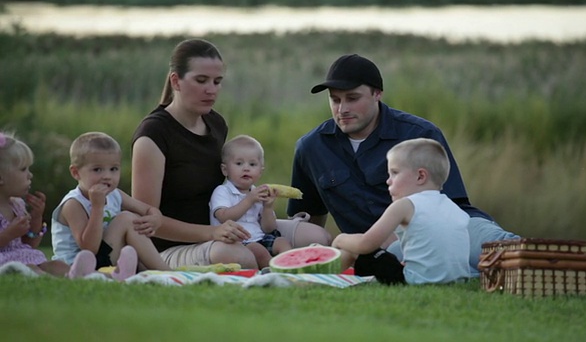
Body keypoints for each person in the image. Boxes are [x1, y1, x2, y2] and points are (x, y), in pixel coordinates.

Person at [287, 53, 519, 276]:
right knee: (421, 266)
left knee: (509, 251)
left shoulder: (420, 135)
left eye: (352, 98)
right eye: (335, 99)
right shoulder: (311, 148)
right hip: (386, 251)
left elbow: (450, 204)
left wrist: (399, 233)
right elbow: (308, 221)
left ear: (377, 93)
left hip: (457, 228)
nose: (342, 109)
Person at [131, 38, 331, 269]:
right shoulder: (152, 135)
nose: (211, 90)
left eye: (217, 82)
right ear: (176, 81)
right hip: (171, 247)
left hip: (229, 228)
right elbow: (147, 223)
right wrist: (212, 232)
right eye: (201, 80)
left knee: (317, 238)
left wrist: (257, 200)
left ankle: (290, 277)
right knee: (240, 257)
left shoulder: (216, 123)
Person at [332, 138, 470, 285]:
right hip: (457, 282)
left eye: (394, 173)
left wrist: (340, 239)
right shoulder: (454, 208)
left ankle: (317, 277)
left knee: (355, 251)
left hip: (412, 281)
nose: (388, 181)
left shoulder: (405, 205)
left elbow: (367, 244)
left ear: (420, 176)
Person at [51, 132, 171, 277]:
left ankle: (144, 270)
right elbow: (89, 248)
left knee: (130, 219)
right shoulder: (73, 204)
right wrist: (97, 207)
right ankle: (166, 272)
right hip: (79, 264)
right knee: (126, 219)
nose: (107, 176)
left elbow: (148, 210)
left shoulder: (115, 194)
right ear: (76, 173)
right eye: (97, 169)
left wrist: (155, 219)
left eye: (113, 169)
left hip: (104, 258)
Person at [0, 131, 112, 279]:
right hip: (6, 262)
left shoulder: (17, 205)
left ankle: (99, 277)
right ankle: (57, 282)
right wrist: (9, 234)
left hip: (24, 256)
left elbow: (30, 244)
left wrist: (36, 217)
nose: (30, 175)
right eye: (23, 169)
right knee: (31, 268)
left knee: (56, 265)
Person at [210, 135, 292, 269]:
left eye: (252, 164)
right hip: (238, 241)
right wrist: (249, 200)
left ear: (260, 171)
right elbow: (223, 216)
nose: (246, 168)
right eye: (239, 163)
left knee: (282, 242)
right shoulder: (222, 191)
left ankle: (292, 267)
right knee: (258, 250)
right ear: (225, 170)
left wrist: (268, 207)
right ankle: (276, 272)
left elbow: (269, 228)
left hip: (259, 238)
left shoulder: (256, 193)